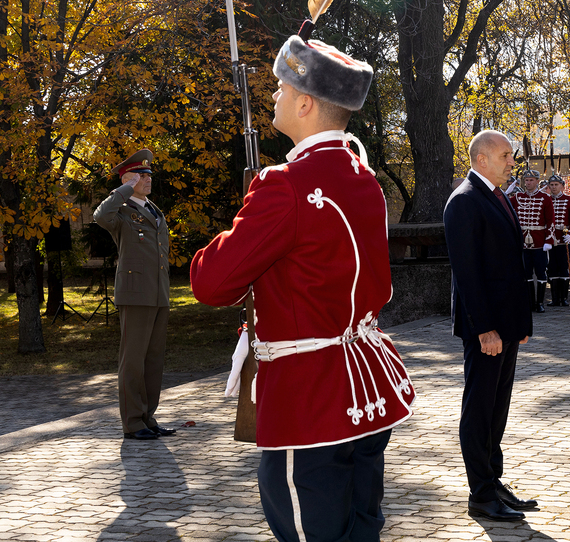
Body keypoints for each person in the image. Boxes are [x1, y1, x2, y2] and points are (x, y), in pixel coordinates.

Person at [189, 35, 415, 542]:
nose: (274, 95)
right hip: (366, 386)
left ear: (306, 103)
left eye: (282, 87)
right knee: (361, 530)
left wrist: (248, 216)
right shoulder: (365, 178)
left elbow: (210, 282)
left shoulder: (285, 185)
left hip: (308, 400)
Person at [443, 130, 537, 522]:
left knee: (497, 409)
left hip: (505, 326)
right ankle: (480, 494)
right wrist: (485, 329)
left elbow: (511, 265)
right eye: (505, 156)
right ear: (481, 159)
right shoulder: (464, 200)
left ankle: (493, 481)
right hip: (486, 330)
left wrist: (519, 322)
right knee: (480, 410)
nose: (512, 162)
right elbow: (468, 274)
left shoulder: (497, 195)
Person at [94, 149, 174, 441]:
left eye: (149, 174)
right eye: (140, 175)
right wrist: (125, 188)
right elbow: (100, 215)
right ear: (127, 180)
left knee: (153, 360)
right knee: (133, 361)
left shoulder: (152, 209)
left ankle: (148, 418)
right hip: (135, 293)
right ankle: (132, 422)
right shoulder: (120, 211)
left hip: (158, 292)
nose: (147, 179)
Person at [510, 169, 555, 313]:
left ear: (537, 181)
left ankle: (540, 302)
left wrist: (549, 240)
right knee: (526, 273)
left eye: (531, 180)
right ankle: (530, 303)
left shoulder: (545, 198)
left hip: (539, 242)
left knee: (541, 272)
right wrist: (506, 192)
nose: (528, 183)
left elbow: (550, 221)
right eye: (526, 180)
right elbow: (502, 205)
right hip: (523, 242)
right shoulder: (518, 197)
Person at [547, 175, 570, 306]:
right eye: (552, 185)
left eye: (556, 184)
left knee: (564, 267)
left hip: (564, 238)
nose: (554, 187)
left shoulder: (569, 200)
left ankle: (564, 298)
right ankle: (555, 299)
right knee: (552, 267)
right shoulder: (546, 199)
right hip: (550, 238)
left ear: (562, 186)